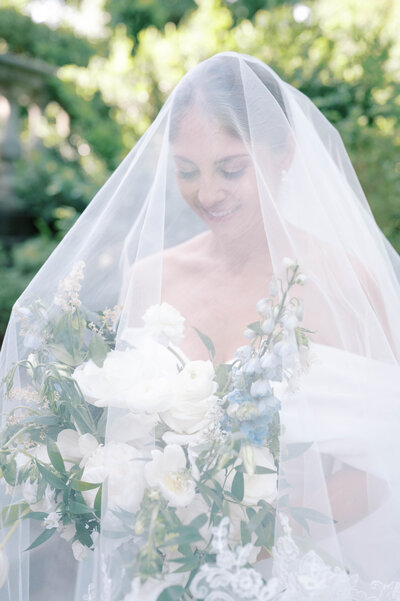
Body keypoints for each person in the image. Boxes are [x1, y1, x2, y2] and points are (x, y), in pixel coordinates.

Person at [1, 52, 400, 601]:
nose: (206, 193)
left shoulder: (343, 283)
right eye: (187, 170)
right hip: (162, 576)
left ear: (282, 154)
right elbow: (122, 441)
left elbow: (382, 470)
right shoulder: (149, 277)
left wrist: (245, 542)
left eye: (231, 168)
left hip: (298, 577)